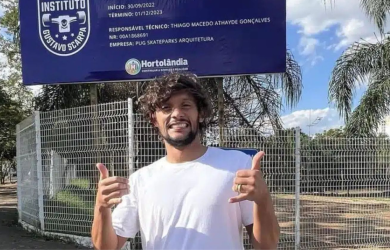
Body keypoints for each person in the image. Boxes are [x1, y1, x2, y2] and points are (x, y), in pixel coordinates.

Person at [91, 72, 280, 250]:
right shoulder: (140, 180)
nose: (176, 114)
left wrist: (263, 201)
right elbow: (107, 246)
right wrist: (101, 207)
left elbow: (267, 246)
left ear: (201, 114)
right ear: (154, 119)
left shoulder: (236, 165)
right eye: (166, 107)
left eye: (186, 105)